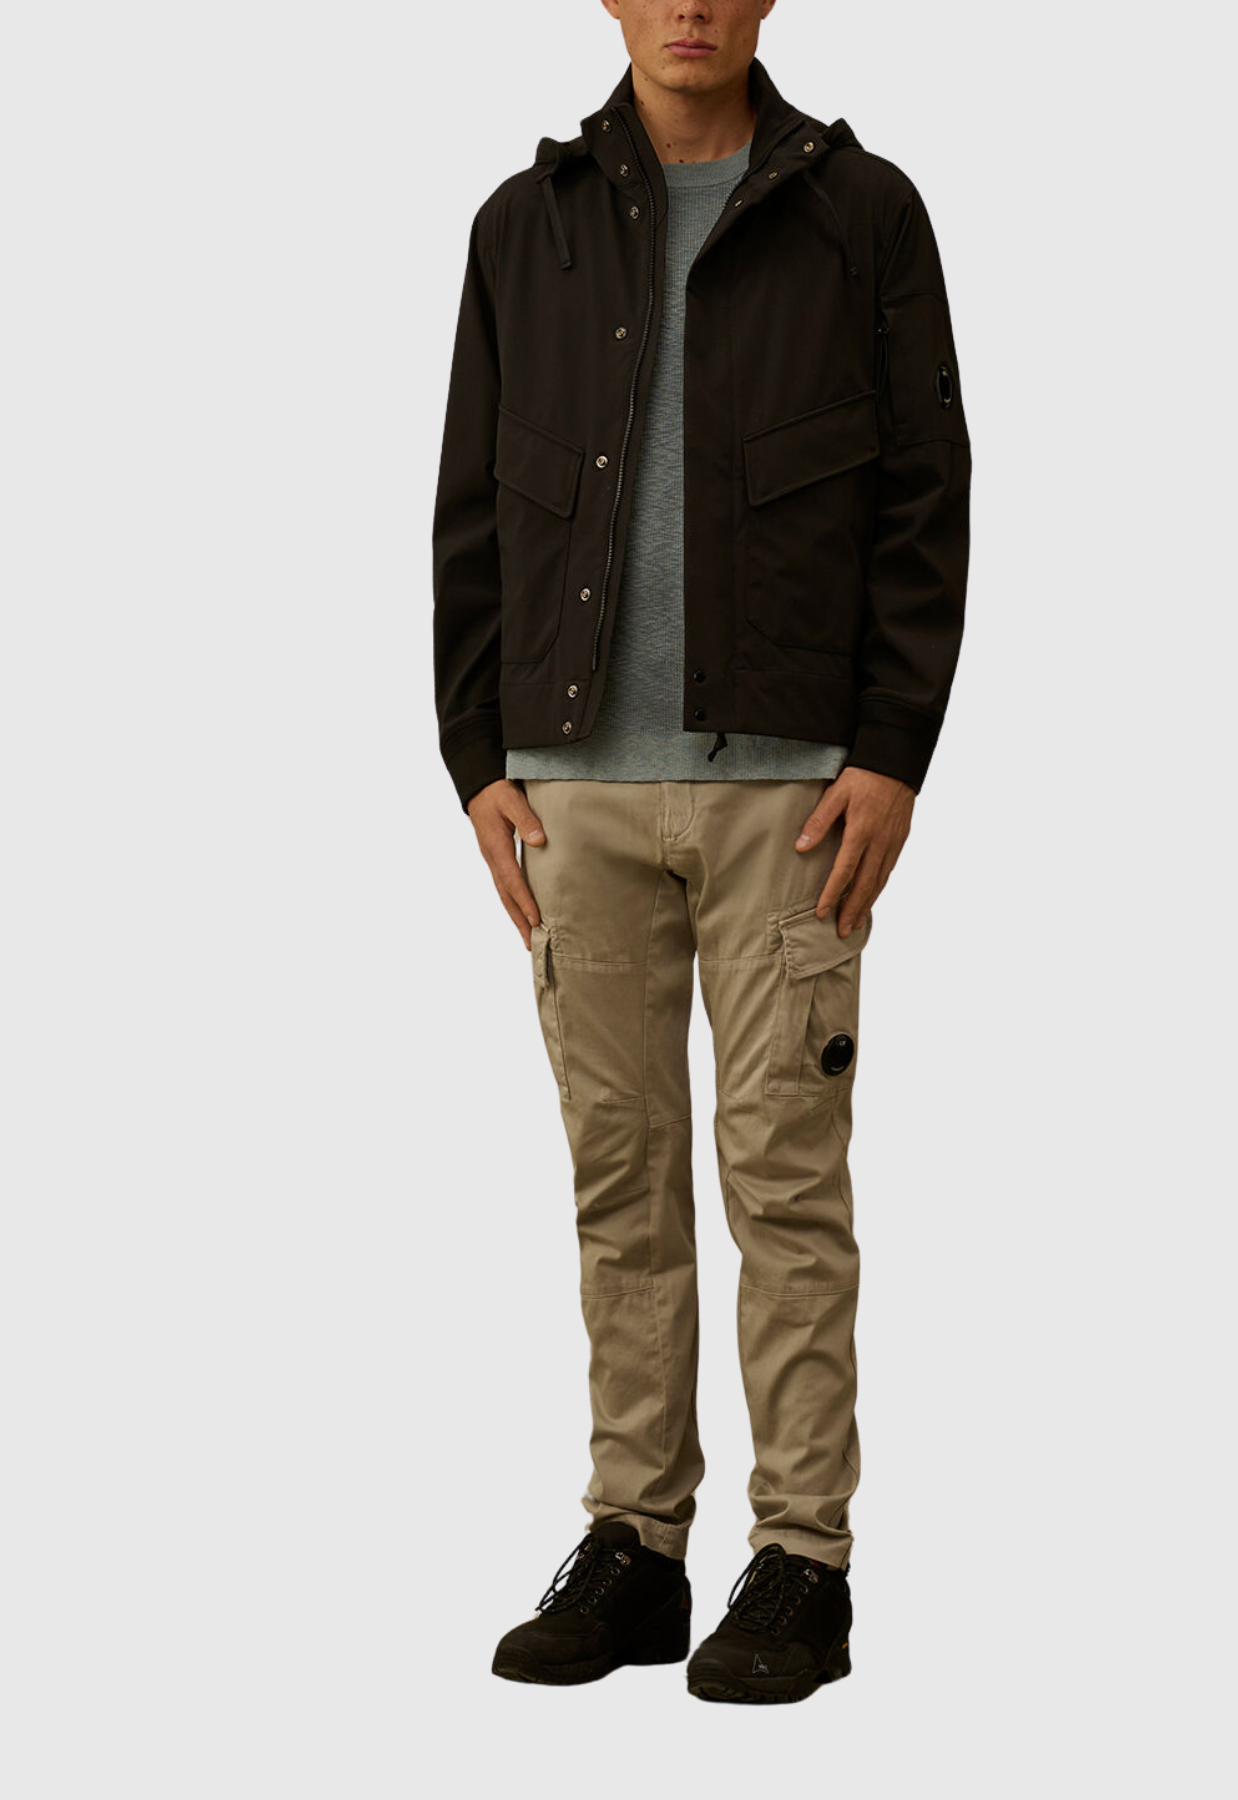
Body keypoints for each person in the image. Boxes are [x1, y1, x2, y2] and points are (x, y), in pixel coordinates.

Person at [430, 0, 969, 1705]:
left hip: (790, 790)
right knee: (622, 1182)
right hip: (572, 789)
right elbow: (469, 503)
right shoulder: (522, 228)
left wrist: (891, 750)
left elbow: (927, 493)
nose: (689, 6)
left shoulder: (862, 213)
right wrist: (476, 756)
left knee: (784, 1182)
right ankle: (635, 1544)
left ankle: (803, 1559)